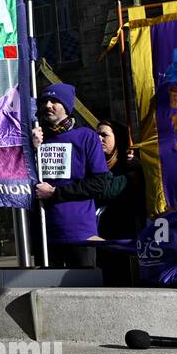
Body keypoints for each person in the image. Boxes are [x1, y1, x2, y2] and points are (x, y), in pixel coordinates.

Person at [30, 83, 112, 268]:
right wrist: (32, 150)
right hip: (45, 231)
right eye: (44, 101)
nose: (48, 105)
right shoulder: (36, 138)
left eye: (54, 101)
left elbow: (98, 184)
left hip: (79, 232)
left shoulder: (86, 137)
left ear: (66, 106)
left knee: (82, 293)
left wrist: (54, 193)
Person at [95, 118, 147, 285]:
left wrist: (138, 170)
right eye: (96, 135)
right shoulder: (92, 164)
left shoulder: (130, 165)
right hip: (101, 238)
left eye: (104, 135)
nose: (99, 139)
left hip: (125, 236)